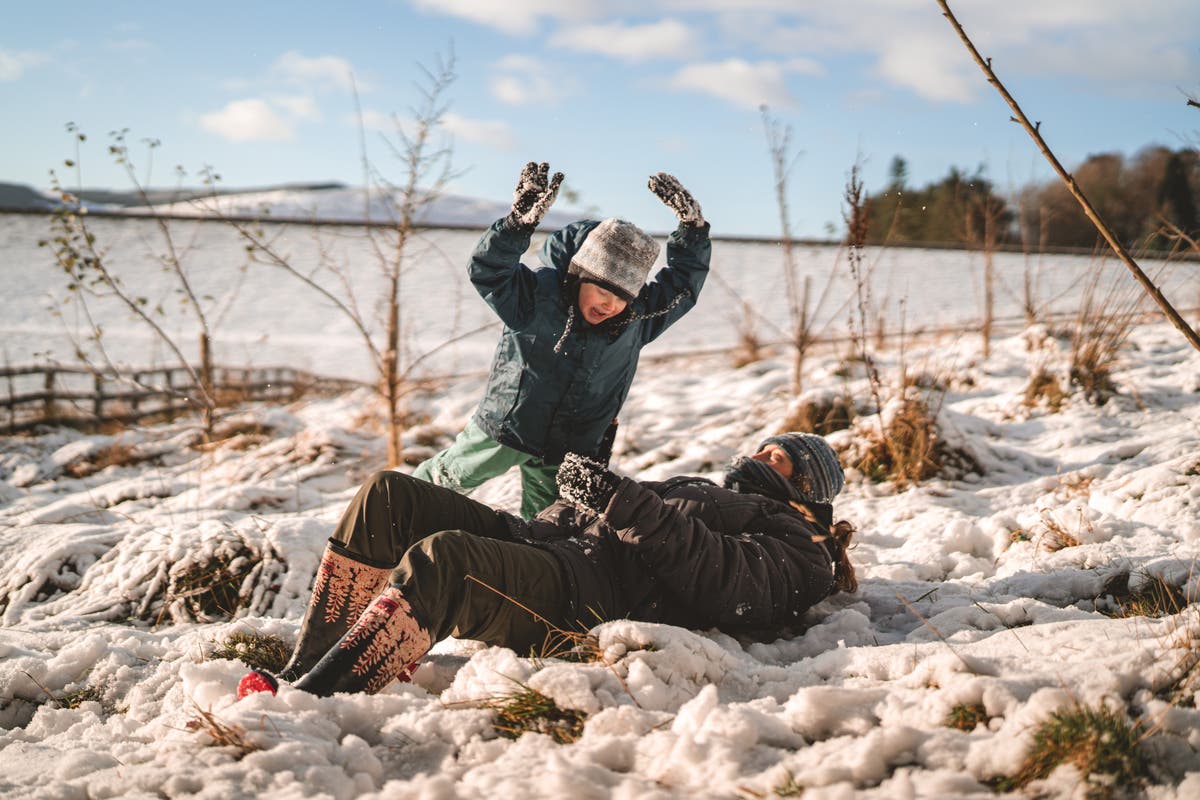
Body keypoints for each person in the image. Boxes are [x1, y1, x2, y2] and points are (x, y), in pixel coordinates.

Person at [237, 432, 857, 698]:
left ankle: (316, 700)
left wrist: (620, 499)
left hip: (585, 599)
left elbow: (726, 583)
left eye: (777, 458)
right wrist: (573, 501)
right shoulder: (709, 488)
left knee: (445, 560)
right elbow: (620, 523)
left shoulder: (802, 547)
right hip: (554, 549)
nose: (758, 454)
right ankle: (307, 665)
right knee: (389, 495)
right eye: (762, 446)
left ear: (806, 489)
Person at [412, 162, 712, 519]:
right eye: (602, 289)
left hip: (572, 446)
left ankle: (525, 565)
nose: (610, 304)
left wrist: (693, 233)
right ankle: (395, 512)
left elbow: (682, 288)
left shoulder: (636, 320)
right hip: (509, 427)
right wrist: (516, 226)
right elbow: (488, 269)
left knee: (549, 523)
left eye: (622, 296)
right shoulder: (537, 297)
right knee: (448, 479)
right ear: (580, 275)